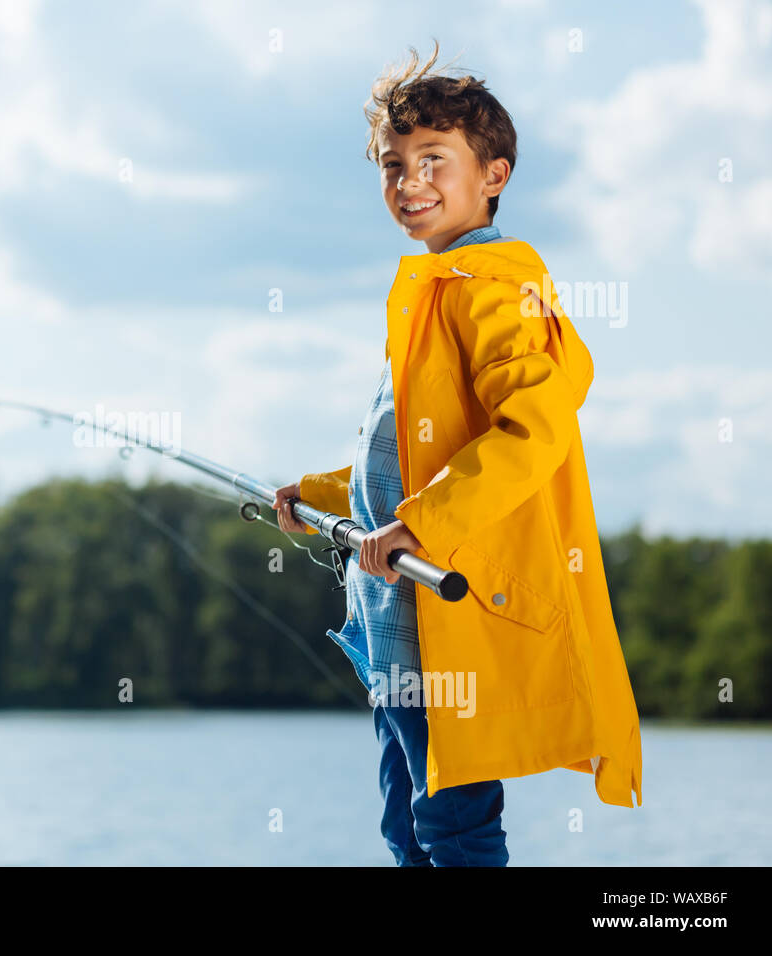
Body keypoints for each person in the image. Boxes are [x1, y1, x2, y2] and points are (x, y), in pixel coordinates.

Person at [273, 42, 643, 867]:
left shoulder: (493, 288)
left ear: (495, 175)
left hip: (446, 627)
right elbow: (407, 461)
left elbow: (533, 429)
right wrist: (318, 494)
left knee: (454, 830)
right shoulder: (433, 289)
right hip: (389, 621)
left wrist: (425, 527)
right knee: (404, 826)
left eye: (434, 160)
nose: (410, 182)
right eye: (393, 164)